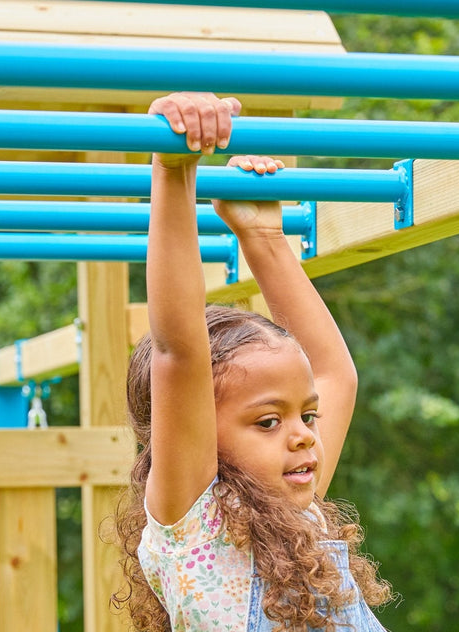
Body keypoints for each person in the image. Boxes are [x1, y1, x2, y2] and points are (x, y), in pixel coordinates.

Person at [113, 92, 393, 632]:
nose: (304, 436)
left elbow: (334, 375)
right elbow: (179, 350)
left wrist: (264, 238)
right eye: (269, 421)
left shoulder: (294, 509)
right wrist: (174, 172)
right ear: (194, 429)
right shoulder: (193, 522)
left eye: (306, 417)